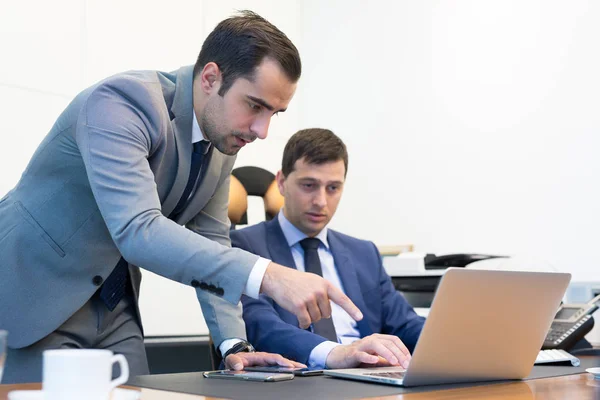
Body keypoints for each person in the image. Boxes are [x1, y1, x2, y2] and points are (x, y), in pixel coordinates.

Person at [0, 12, 362, 383]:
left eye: (274, 113)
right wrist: (268, 275)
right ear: (210, 78)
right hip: (35, 292)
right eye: (254, 105)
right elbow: (138, 230)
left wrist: (233, 344)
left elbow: (212, 238)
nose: (262, 130)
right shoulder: (121, 102)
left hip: (114, 303)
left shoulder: (223, 138)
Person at [231, 128, 425, 369]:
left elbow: (405, 324)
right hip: (298, 380)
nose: (321, 201)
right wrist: (339, 353)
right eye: (309, 185)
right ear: (281, 182)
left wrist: (457, 341)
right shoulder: (243, 246)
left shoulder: (364, 253)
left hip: (371, 378)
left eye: (333, 188)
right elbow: (261, 326)